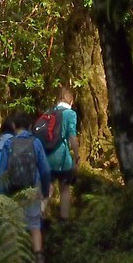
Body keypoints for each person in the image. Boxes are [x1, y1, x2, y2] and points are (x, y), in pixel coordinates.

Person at [2, 110, 52, 263]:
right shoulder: (36, 143)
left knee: (13, 223)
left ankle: (14, 261)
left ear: (14, 126)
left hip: (13, 189)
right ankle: (39, 257)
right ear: (30, 126)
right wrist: (44, 190)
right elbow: (45, 170)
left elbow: (2, 171)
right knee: (34, 223)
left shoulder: (9, 144)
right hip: (32, 188)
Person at [43, 85, 80, 222]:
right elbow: (72, 136)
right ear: (71, 101)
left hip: (46, 156)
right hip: (62, 158)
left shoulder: (49, 112)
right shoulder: (70, 114)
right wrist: (77, 155)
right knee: (64, 188)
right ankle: (64, 220)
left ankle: (41, 217)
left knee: (48, 187)